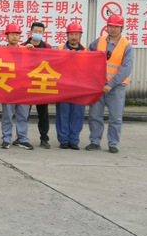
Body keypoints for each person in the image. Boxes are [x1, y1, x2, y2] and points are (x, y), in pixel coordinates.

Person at [86, 14, 133, 154]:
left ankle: (113, 143)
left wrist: (111, 84)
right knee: (95, 115)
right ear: (106, 27)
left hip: (116, 87)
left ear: (121, 28)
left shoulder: (126, 45)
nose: (113, 29)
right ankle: (95, 141)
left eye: (116, 27)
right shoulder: (99, 41)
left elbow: (126, 69)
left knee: (116, 117)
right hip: (98, 86)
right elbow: (88, 56)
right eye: (110, 26)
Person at [0, 23, 33, 150]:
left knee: (23, 115)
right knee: (7, 115)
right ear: (7, 36)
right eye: (12, 34)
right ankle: (6, 138)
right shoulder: (1, 52)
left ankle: (22, 138)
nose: (14, 36)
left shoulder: (26, 50)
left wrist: (32, 49)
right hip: (8, 88)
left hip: (23, 88)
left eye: (17, 34)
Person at [56, 22, 86, 150]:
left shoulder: (86, 50)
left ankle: (74, 140)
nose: (74, 37)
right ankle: (63, 140)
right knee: (63, 114)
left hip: (80, 88)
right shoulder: (60, 49)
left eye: (76, 34)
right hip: (64, 87)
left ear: (80, 36)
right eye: (71, 34)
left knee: (77, 114)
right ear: (67, 35)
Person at [22, 21, 51, 149]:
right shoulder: (23, 46)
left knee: (43, 114)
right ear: (31, 32)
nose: (38, 33)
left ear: (44, 33)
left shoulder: (47, 47)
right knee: (23, 113)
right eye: (35, 31)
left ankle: (44, 138)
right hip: (26, 85)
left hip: (41, 85)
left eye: (40, 31)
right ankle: (21, 136)